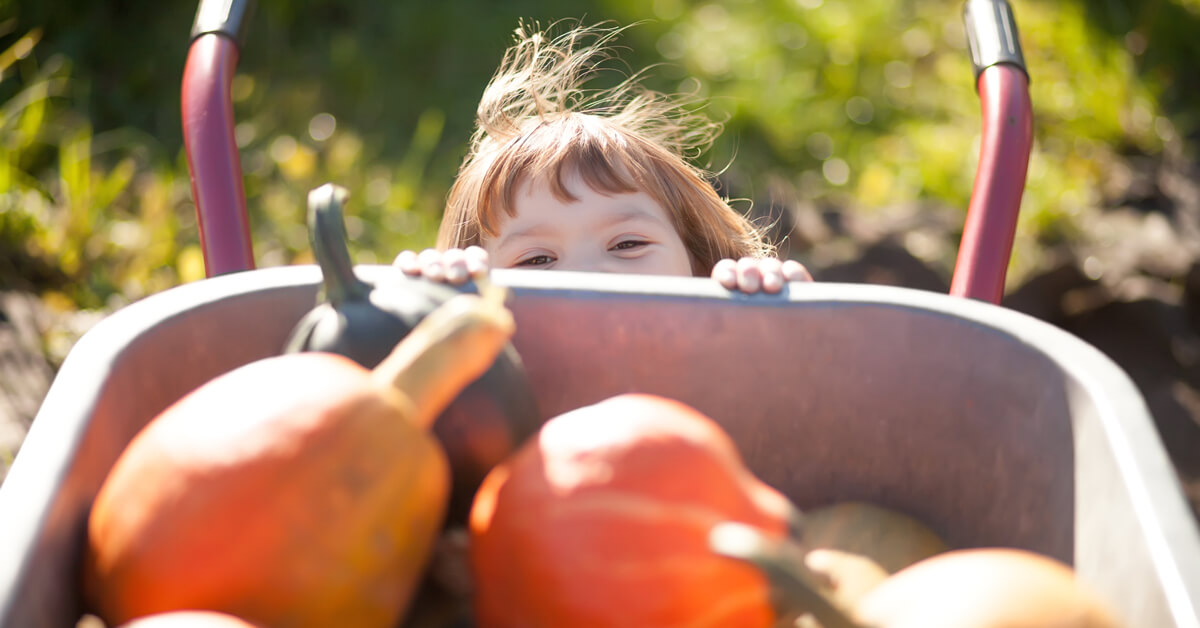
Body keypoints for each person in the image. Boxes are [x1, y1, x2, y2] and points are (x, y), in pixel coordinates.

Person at [394, 20, 812, 294]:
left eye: (628, 243)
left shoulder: (732, 349)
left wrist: (785, 322)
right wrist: (429, 308)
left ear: (701, 266)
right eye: (536, 259)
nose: (587, 275)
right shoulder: (478, 383)